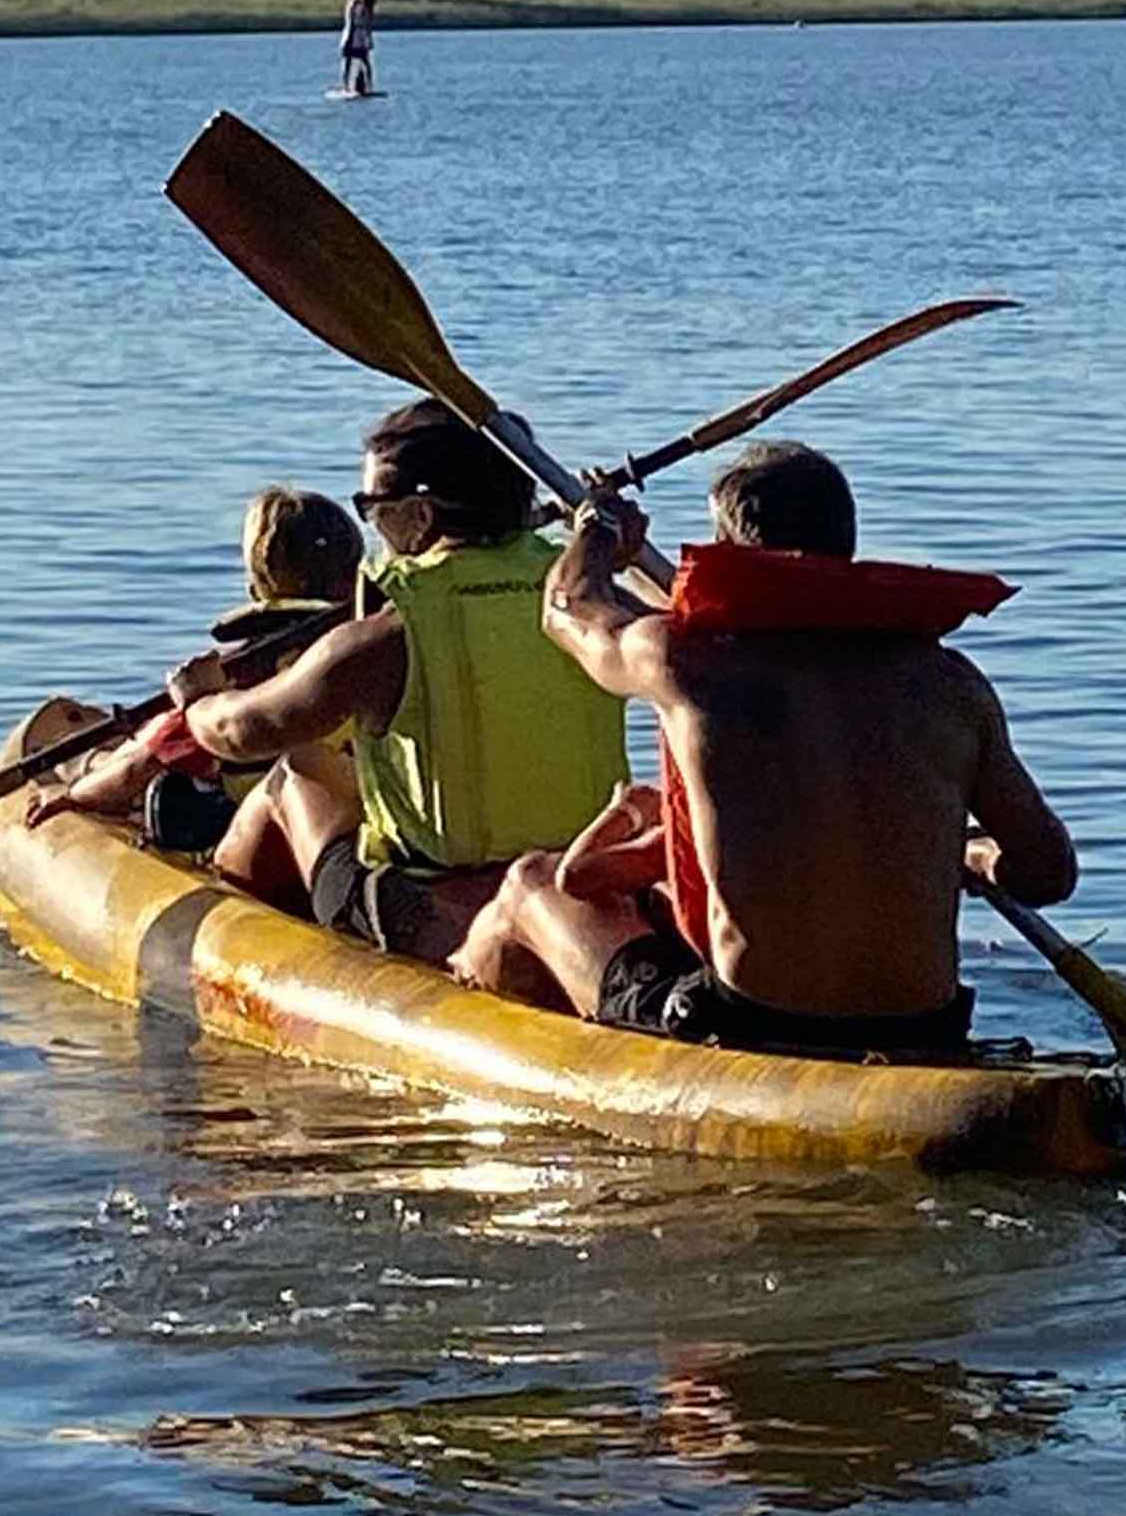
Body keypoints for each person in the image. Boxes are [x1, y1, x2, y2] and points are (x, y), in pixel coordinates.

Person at [447, 441, 1076, 1056]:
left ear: (726, 553)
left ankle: (461, 1021)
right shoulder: (950, 684)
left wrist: (598, 528)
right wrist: (976, 856)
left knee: (530, 885)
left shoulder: (686, 664)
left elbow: (568, 609)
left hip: (747, 1023)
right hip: (925, 1027)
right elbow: (1047, 873)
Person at [167, 398, 627, 962]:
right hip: (572, 882)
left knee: (298, 773)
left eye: (372, 506)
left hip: (431, 911)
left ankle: (223, 939)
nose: (372, 523)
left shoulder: (390, 632)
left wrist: (199, 701)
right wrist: (612, 547)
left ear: (421, 516)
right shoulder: (591, 605)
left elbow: (242, 733)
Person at [28, 486, 362, 852]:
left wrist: (74, 797)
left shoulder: (242, 675)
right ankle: (97, 761)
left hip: (259, 833)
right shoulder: (373, 648)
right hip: (348, 816)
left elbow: (142, 764)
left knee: (166, 754)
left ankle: (89, 768)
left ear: (256, 587)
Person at [339, 0, 377, 95]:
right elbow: (349, 18)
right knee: (348, 62)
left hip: (360, 37)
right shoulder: (352, 2)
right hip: (351, 35)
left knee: (364, 61)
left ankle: (368, 85)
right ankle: (346, 86)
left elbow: (367, 22)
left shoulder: (367, 7)